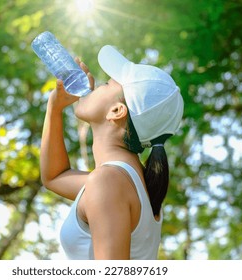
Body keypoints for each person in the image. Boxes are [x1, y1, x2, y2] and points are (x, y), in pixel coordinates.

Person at [40, 45, 184, 260]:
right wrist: (54, 108)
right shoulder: (127, 179)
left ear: (116, 111)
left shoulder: (109, 181)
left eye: (106, 84)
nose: (96, 85)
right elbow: (54, 177)